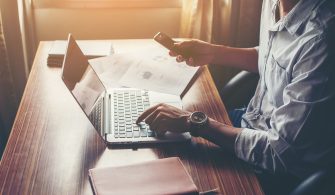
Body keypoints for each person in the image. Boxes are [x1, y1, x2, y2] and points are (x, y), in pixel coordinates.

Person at [137, 0, 335, 194]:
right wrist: (214, 52)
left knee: (178, 175)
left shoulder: (321, 40)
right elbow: (272, 57)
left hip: (276, 169)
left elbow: (279, 154)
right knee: (161, 152)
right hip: (249, 125)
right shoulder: (274, 3)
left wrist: (194, 123)